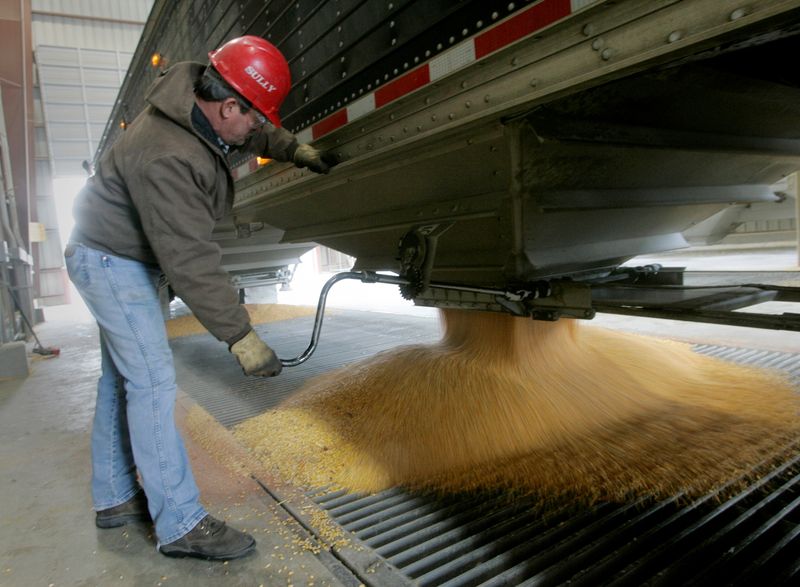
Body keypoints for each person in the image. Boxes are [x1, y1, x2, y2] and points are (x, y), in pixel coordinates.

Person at [64, 36, 338, 561]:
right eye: (255, 120)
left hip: (105, 252)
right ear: (228, 105)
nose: (258, 130)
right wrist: (241, 336)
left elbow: (248, 131)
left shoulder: (200, 97)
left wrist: (293, 149)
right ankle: (182, 523)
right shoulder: (168, 156)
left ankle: (115, 498)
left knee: (120, 381)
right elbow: (189, 260)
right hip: (111, 261)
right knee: (150, 382)